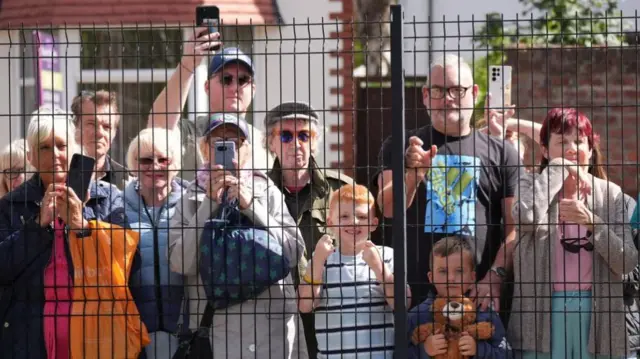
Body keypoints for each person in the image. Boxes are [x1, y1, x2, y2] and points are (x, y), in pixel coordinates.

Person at [374, 54, 522, 312]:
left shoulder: (503, 153)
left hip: (479, 300)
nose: (448, 98)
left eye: (457, 89)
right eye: (438, 90)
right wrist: (413, 174)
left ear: (474, 93)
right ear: (425, 95)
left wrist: (495, 276)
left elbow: (516, 226)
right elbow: (386, 209)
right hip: (416, 302)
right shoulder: (400, 146)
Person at [0, 108, 141, 358]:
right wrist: (37, 226)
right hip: (31, 335)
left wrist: (82, 224)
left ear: (73, 150)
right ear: (31, 156)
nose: (55, 155)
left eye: (61, 145)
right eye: (44, 148)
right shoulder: (11, 204)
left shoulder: (106, 197)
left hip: (97, 329)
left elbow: (129, 262)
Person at [168, 113, 308, 358]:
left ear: (247, 151)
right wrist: (208, 205)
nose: (229, 150)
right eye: (219, 143)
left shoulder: (268, 191)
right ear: (205, 150)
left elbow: (293, 252)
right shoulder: (189, 199)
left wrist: (251, 205)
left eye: (236, 143)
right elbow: (180, 262)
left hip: (272, 333)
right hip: (217, 335)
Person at [509, 107, 638, 358]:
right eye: (561, 141)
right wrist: (558, 169)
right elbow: (525, 219)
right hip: (541, 310)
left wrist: (594, 223)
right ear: (544, 150)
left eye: (579, 141)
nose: (571, 148)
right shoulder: (529, 183)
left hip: (596, 309)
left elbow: (626, 261)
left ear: (590, 150)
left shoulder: (611, 194)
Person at [265, 101, 354, 357]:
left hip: (329, 311)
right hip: (274, 314)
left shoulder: (340, 190)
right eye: (286, 135)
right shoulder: (258, 192)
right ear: (271, 143)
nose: (296, 143)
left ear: (315, 142)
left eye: (305, 135)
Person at [298, 184, 401, 358]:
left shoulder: (386, 256)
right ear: (330, 222)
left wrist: (379, 268)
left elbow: (402, 303)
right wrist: (317, 263)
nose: (353, 222)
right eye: (344, 216)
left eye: (362, 216)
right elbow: (305, 305)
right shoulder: (321, 258)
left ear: (374, 223)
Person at [147, 28, 271, 172]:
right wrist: (187, 65)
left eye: (243, 80)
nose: (234, 87)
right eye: (226, 79)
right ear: (207, 87)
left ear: (253, 90)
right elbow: (157, 129)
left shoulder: (263, 142)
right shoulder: (190, 133)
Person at [122, 128, 188, 359]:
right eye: (146, 160)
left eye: (163, 159)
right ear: (133, 163)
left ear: (175, 163)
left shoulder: (192, 204)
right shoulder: (118, 209)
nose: (155, 166)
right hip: (134, 329)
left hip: (186, 329)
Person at [407, 236, 511, 358]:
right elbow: (399, 355)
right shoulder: (417, 315)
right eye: (443, 271)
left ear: (473, 277)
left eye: (459, 271)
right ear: (431, 277)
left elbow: (507, 354)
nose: (451, 278)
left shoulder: (485, 312)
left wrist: (479, 349)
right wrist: (424, 350)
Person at [71, 90, 129, 189]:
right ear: (75, 127)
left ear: (114, 133)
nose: (100, 133)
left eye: (107, 126)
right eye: (91, 124)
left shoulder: (125, 178)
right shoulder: (59, 173)